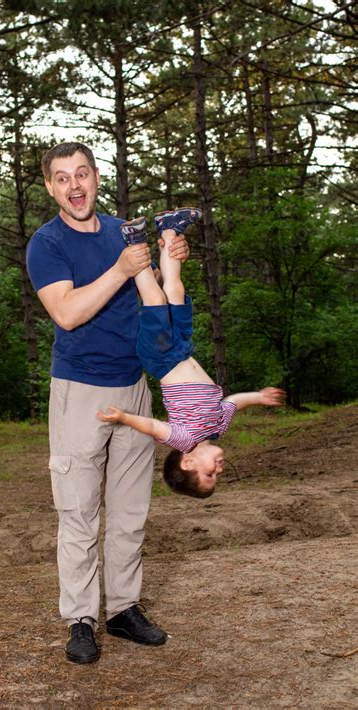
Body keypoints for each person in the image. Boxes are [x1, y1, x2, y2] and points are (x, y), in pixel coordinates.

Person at [25, 142, 189, 664]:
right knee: (78, 513)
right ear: (50, 188)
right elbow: (68, 314)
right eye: (62, 178)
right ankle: (80, 618)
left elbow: (153, 295)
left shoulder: (124, 231)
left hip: (133, 388)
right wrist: (120, 268)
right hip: (80, 391)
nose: (75, 186)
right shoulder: (46, 245)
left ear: (96, 178)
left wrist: (167, 264)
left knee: (129, 512)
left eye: (82, 174)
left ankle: (122, 609)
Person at [98, 210, 285, 498]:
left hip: (161, 356)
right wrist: (259, 397)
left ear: (188, 462)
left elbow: (152, 426)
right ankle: (169, 229)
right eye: (216, 477)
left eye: (209, 474)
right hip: (183, 348)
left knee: (155, 299)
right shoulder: (216, 428)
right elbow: (233, 401)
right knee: (175, 289)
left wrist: (124, 417)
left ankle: (134, 243)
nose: (219, 471)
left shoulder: (184, 439)